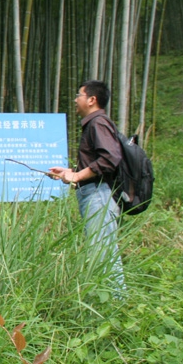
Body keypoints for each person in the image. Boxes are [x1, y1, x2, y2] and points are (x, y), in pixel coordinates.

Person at [50, 80, 126, 291]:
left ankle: (116, 305)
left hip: (99, 195)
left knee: (103, 253)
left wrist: (77, 176)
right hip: (95, 192)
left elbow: (110, 158)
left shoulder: (98, 123)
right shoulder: (96, 124)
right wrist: (69, 173)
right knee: (101, 250)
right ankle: (113, 303)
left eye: (79, 95)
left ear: (92, 100)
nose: (75, 99)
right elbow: (97, 163)